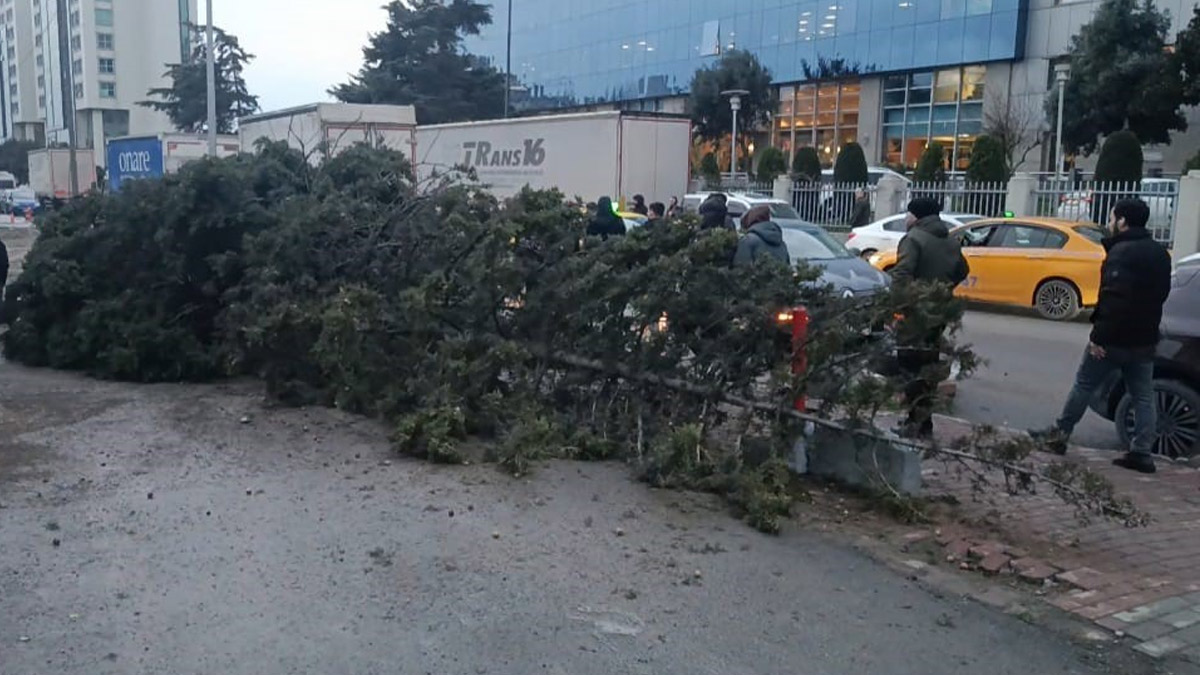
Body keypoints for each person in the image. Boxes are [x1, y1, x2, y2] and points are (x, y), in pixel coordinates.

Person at [1030, 198, 1172, 474]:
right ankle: (1142, 452)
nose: (1109, 223)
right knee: (1143, 395)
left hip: (1114, 339)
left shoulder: (1122, 253)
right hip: (1145, 338)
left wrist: (1099, 337)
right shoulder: (1159, 253)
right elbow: (1161, 294)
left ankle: (1059, 437)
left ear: (1122, 221)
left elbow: (1113, 299)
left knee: (1084, 384)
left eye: (1112, 218)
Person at [891, 197, 970, 439]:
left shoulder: (913, 239)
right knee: (927, 366)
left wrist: (897, 308)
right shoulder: (950, 241)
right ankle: (924, 422)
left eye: (908, 214)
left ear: (917, 216)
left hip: (915, 313)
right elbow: (963, 270)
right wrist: (943, 289)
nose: (906, 218)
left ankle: (915, 422)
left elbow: (901, 275)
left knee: (910, 367)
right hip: (939, 312)